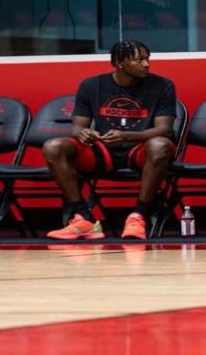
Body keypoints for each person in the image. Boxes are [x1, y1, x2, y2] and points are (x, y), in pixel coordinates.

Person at [43, 40, 176, 240]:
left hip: (140, 149)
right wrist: (83, 133)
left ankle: (138, 216)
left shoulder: (163, 85)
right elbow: (77, 126)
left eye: (147, 59)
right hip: (103, 150)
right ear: (120, 63)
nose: (146, 64)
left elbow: (164, 130)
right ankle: (83, 218)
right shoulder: (91, 85)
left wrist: (127, 136)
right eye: (139, 60)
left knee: (160, 145)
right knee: (53, 146)